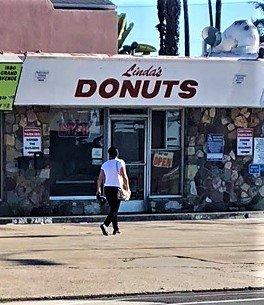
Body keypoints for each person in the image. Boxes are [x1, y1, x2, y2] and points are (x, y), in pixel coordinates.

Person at [97, 146, 130, 236]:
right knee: (115, 209)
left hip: (107, 188)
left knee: (113, 208)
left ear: (109, 154)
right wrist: (127, 188)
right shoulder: (120, 162)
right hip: (116, 188)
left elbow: (100, 178)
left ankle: (116, 229)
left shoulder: (105, 164)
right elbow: (124, 176)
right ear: (117, 154)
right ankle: (105, 225)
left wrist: (98, 189)